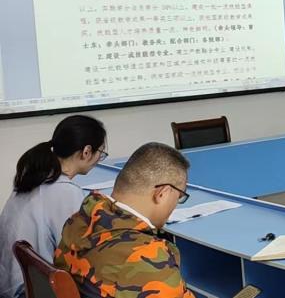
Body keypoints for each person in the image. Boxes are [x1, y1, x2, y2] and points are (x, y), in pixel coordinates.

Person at [55, 142, 195, 298]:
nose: (176, 204)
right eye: (179, 197)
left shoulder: (79, 221)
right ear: (162, 194)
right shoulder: (147, 257)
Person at [0, 116, 107, 298]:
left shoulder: (33, 177)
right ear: (86, 152)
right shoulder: (65, 192)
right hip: (28, 290)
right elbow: (79, 253)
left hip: (10, 283)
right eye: (101, 153)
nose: (99, 159)